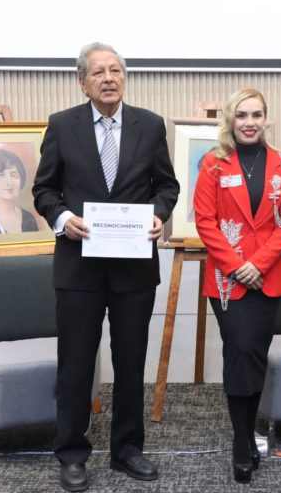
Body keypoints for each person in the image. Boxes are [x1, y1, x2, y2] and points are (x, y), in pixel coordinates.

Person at [32, 42, 179, 492]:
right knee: (75, 363)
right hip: (79, 267)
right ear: (83, 82)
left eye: (116, 70)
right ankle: (73, 454)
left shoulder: (150, 125)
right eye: (99, 72)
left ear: (125, 77)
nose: (109, 78)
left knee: (131, 360)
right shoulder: (62, 125)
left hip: (134, 269)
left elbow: (167, 186)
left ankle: (128, 450)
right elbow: (43, 190)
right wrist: (62, 219)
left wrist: (158, 215)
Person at [193, 88, 281, 483]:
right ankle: (242, 441)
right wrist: (239, 266)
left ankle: (247, 431)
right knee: (238, 350)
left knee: (254, 354)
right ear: (230, 120)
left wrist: (259, 263)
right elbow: (205, 222)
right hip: (227, 280)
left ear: (266, 119)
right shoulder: (213, 164)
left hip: (268, 277)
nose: (250, 122)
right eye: (242, 115)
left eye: (257, 115)